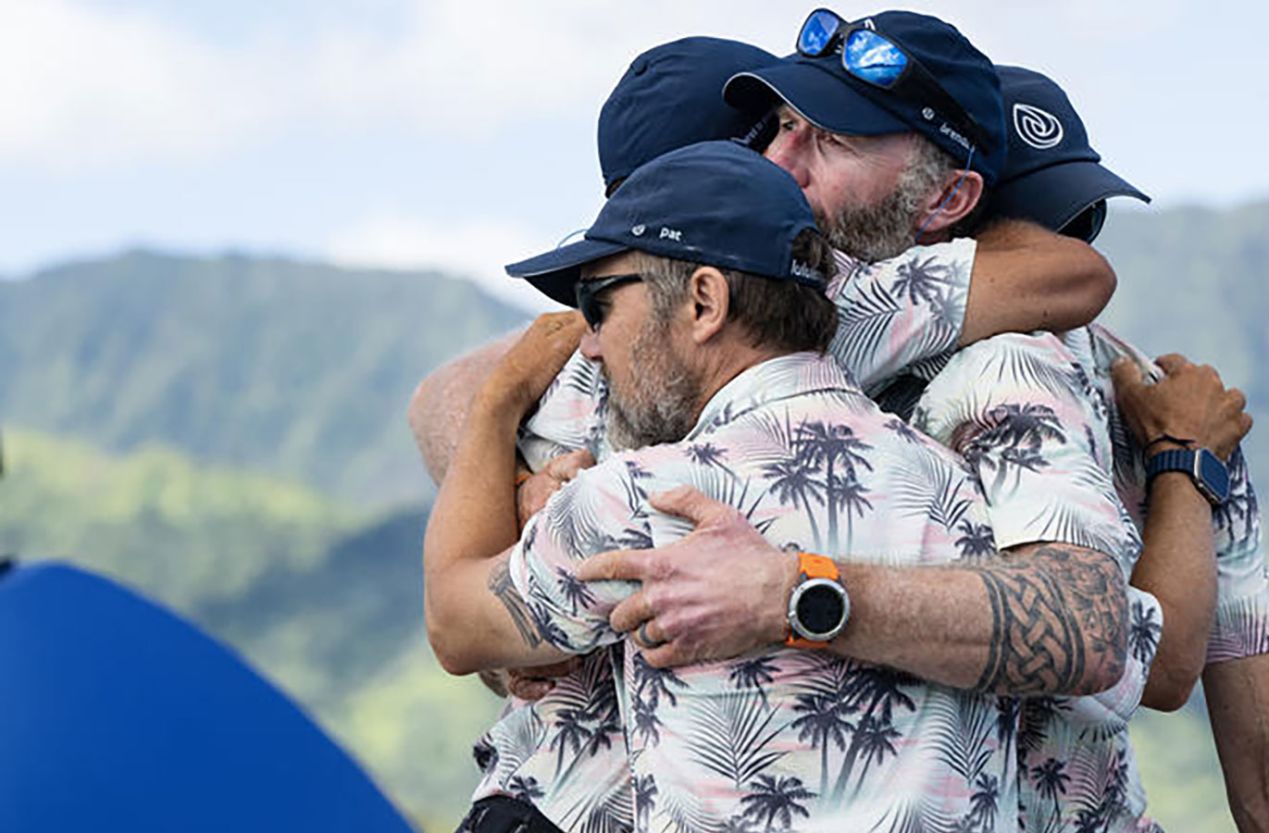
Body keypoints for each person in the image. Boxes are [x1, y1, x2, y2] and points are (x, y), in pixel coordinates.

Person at [412, 33, 1121, 833]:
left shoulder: (648, 487)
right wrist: (518, 485)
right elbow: (445, 400)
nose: (589, 336)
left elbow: (455, 615)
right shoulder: (946, 481)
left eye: (601, 298)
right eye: (778, 133)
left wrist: (790, 591)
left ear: (707, 298)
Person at [977, 65, 1269, 832]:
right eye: (1033, 226)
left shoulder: (1178, 415)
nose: (1061, 256)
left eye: (1076, 223)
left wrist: (1183, 462)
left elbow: (1257, 748)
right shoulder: (865, 380)